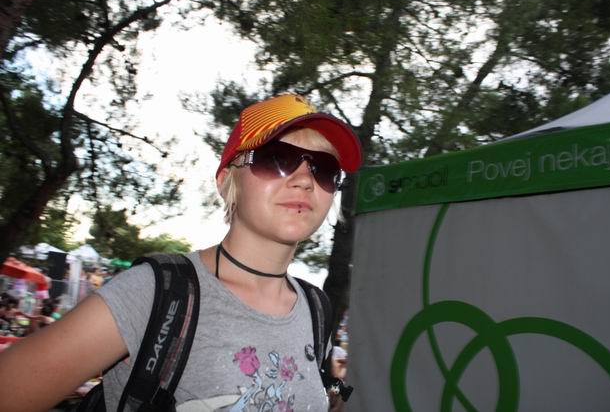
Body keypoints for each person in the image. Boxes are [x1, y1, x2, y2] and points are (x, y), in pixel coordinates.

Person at [0, 94, 362, 412]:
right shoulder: (156, 294)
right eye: (277, 158)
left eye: (323, 169)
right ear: (226, 180)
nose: (304, 179)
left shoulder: (316, 309)